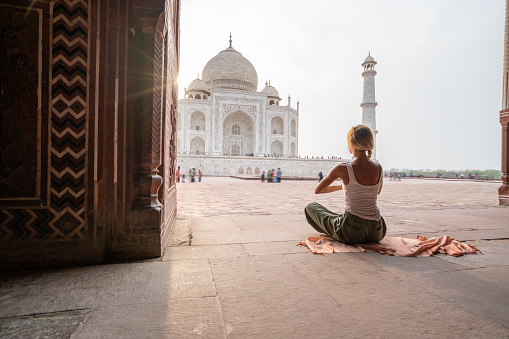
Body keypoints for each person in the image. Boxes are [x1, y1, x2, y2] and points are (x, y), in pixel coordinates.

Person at [304, 125, 386, 245]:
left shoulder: (343, 168)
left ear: (351, 143)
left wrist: (341, 186)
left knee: (311, 207)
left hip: (351, 231)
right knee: (338, 216)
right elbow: (377, 191)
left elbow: (318, 190)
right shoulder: (378, 167)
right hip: (377, 231)